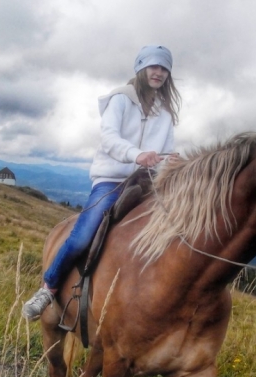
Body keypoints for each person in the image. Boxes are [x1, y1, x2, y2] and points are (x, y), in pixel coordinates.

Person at [22, 45, 181, 320]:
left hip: (149, 184)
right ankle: (48, 288)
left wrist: (171, 163)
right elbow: (109, 138)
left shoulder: (165, 113)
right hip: (112, 180)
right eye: (154, 66)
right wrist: (137, 154)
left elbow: (165, 152)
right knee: (82, 236)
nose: (159, 72)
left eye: (164, 68)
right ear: (141, 69)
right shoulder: (120, 99)